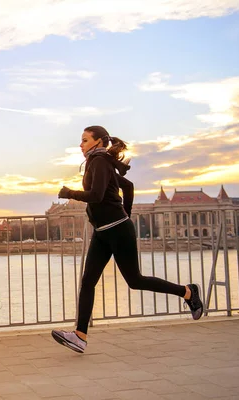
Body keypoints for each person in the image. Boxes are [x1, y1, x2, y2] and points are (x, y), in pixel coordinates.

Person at [51, 125, 203, 354]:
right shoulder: (100, 162)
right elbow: (128, 186)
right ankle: (80, 336)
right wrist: (127, 214)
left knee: (135, 280)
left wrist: (69, 193)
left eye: (84, 140)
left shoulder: (100, 162)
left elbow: (96, 196)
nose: (80, 145)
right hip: (103, 231)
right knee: (88, 281)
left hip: (117, 230)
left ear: (99, 142)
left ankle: (188, 292)